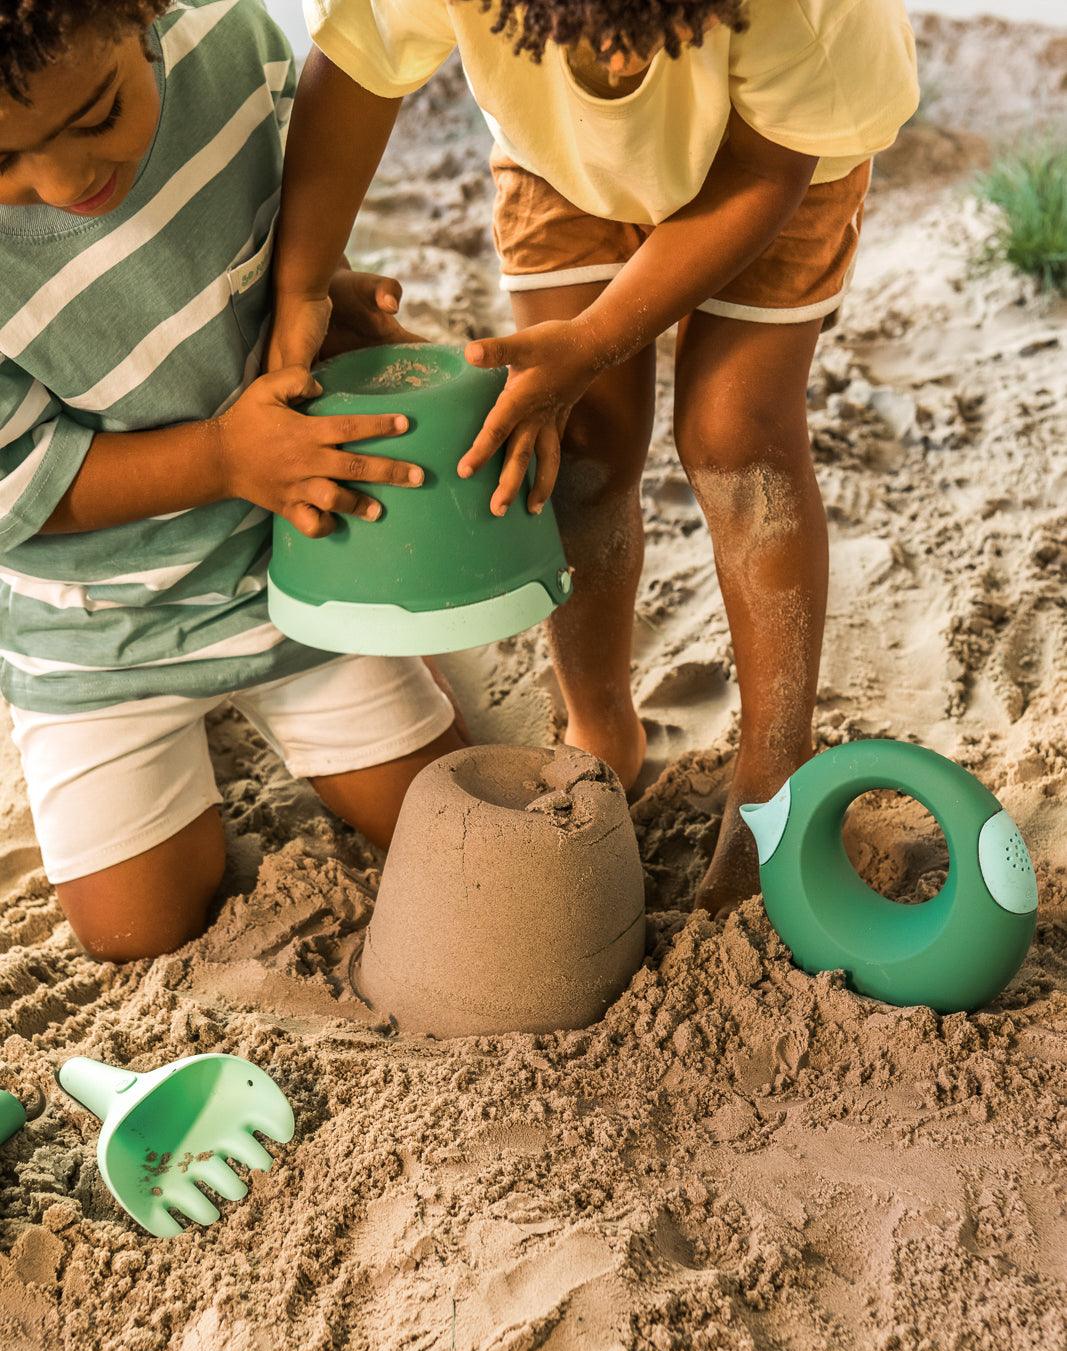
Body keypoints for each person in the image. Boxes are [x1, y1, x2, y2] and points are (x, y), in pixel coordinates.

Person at [269, 0, 919, 913]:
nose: (617, 57)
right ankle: (600, 723)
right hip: (563, 162)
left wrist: (600, 336)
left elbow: (764, 170)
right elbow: (362, 65)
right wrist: (302, 278)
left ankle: (773, 779)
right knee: (583, 445)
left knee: (737, 441)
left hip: (781, 166)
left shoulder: (799, 14)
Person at [0, 0, 462, 962]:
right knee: (133, 934)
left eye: (94, 116)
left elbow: (287, 215)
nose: (65, 177)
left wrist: (327, 293)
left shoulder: (226, 43)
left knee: (445, 824)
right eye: (0, 163)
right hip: (101, 630)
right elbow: (19, 488)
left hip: (296, 564)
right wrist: (220, 458)